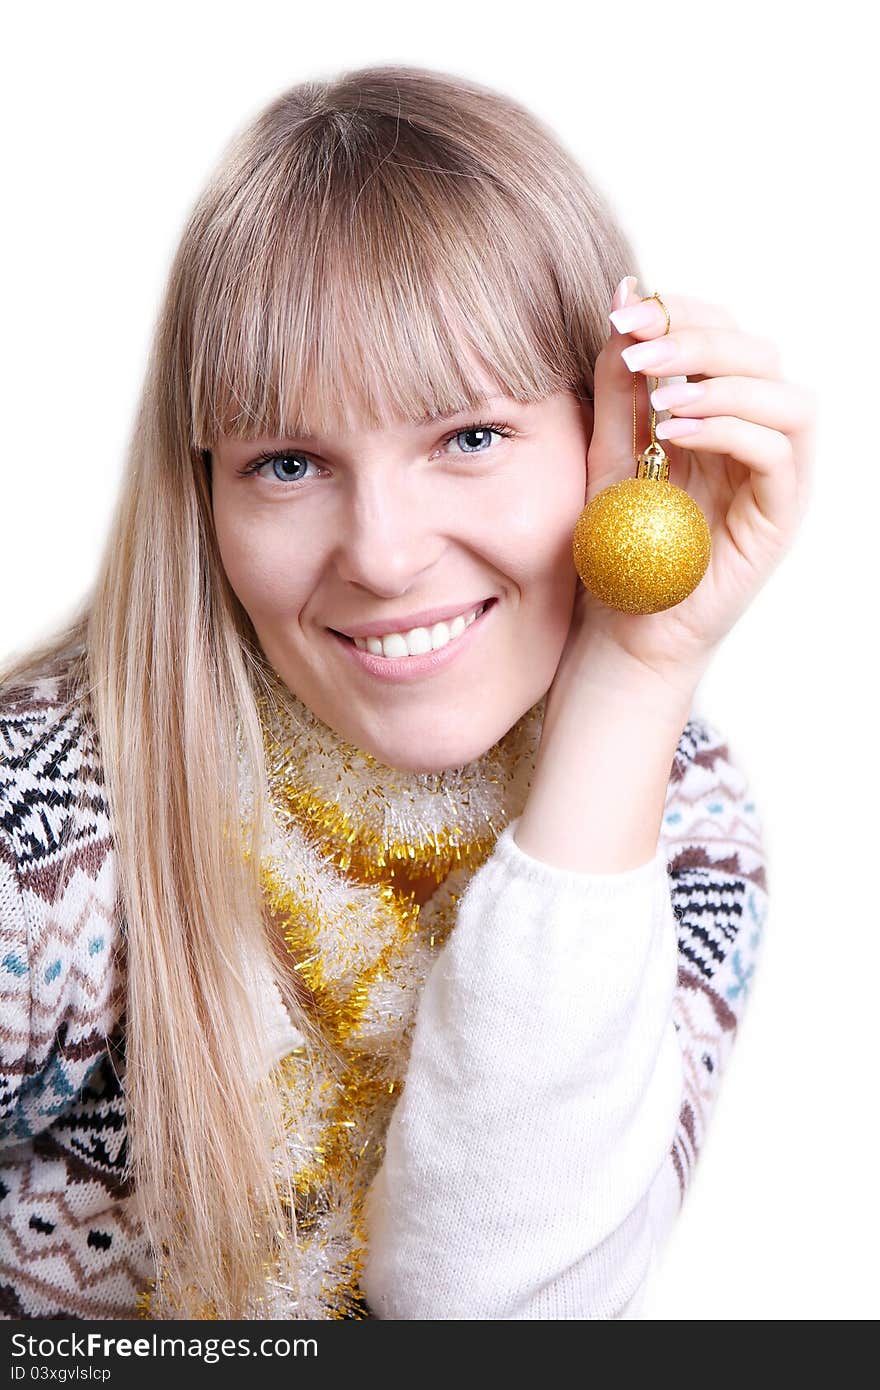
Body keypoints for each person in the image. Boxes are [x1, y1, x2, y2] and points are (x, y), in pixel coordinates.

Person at [0, 63, 814, 1322]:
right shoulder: (46, 821)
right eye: (286, 461)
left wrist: (634, 677)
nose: (381, 552)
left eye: (469, 437)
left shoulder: (685, 827)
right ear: (204, 494)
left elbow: (491, 1319)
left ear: (615, 434)